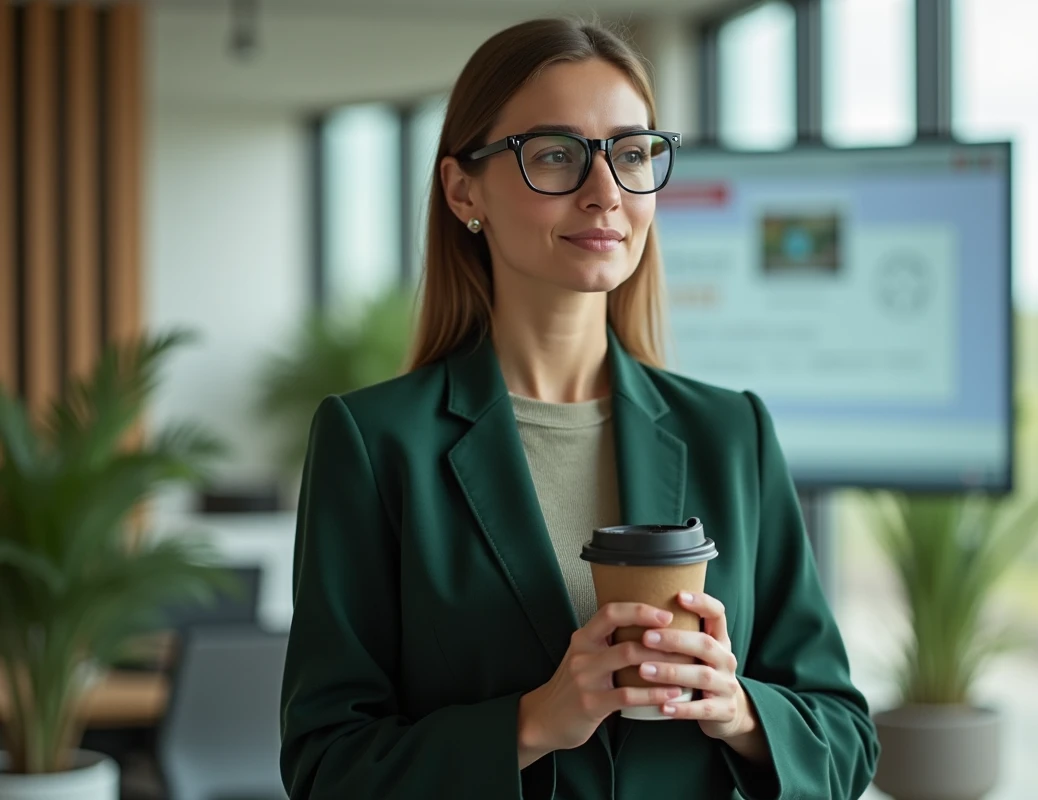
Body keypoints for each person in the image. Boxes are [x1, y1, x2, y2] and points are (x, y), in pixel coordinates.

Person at [279, 16, 878, 800]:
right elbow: (327, 767)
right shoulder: (374, 443)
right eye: (556, 155)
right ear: (464, 189)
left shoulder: (733, 434)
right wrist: (530, 725)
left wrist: (738, 712)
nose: (605, 194)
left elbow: (844, 737)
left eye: (631, 155)